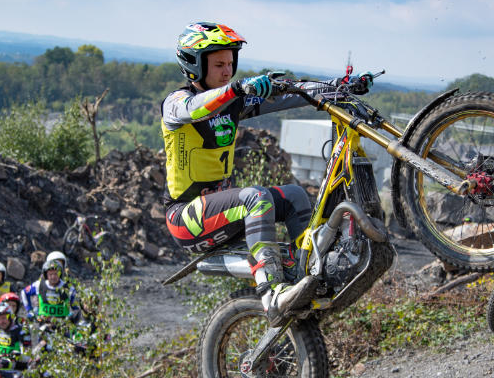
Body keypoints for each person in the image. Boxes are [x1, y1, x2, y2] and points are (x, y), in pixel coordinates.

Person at [160, 21, 373, 324]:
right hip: (185, 219)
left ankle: (311, 274)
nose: (226, 71)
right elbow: (195, 108)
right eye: (219, 64)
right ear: (194, 65)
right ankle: (272, 291)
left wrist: (338, 87)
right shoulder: (175, 104)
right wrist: (236, 89)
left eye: (231, 64)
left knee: (296, 195)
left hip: (222, 214)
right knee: (256, 197)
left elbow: (295, 94)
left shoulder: (234, 102)